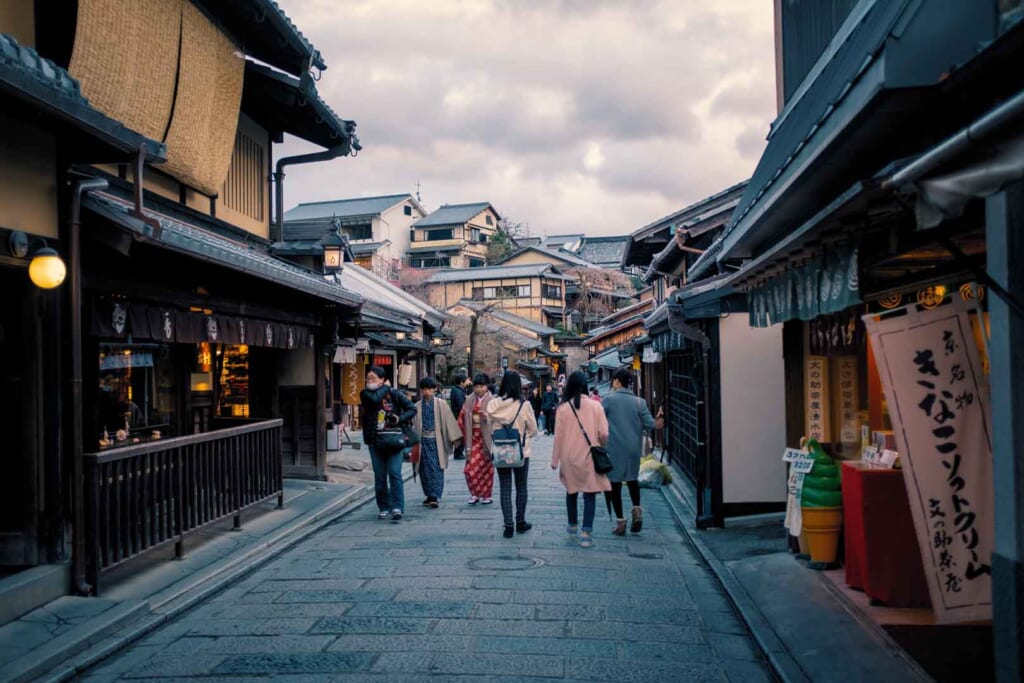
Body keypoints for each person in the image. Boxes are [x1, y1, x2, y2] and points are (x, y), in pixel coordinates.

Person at [552, 371, 610, 548]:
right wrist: (601, 445)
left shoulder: (563, 409)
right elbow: (604, 433)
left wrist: (555, 460)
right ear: (585, 386)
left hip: (569, 457)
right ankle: (586, 533)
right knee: (590, 494)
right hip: (589, 455)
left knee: (571, 491)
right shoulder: (596, 407)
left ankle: (572, 526)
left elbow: (558, 437)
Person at [602, 368, 656, 535]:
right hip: (633, 448)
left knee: (614, 484)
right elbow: (650, 424)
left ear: (617, 381)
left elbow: (600, 423)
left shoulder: (608, 400)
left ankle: (620, 522)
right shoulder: (640, 402)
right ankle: (637, 511)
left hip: (614, 447)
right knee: (633, 480)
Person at [486, 372, 539, 538]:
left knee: (505, 487)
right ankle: (520, 522)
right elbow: (533, 430)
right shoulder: (524, 405)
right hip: (521, 451)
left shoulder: (494, 404)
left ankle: (508, 524)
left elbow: (489, 425)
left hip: (501, 450)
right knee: (521, 487)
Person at [360, 366, 416, 521]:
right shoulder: (365, 394)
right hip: (375, 440)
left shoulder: (395, 394)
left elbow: (411, 409)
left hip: (394, 440)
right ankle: (384, 507)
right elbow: (374, 399)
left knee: (395, 473)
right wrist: (385, 386)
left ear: (382, 379)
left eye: (373, 378)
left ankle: (397, 507)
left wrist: (400, 419)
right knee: (380, 476)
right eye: (368, 378)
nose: (369, 380)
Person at [412, 377, 462, 508]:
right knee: (423, 469)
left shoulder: (441, 404)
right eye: (424, 389)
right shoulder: (417, 406)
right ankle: (429, 495)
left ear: (434, 389)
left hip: (436, 441)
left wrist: (455, 438)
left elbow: (449, 421)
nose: (426, 392)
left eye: (429, 389)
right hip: (422, 440)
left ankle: (435, 495)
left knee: (436, 468)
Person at [459, 373, 494, 504]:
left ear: (487, 386)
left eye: (482, 386)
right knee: (469, 469)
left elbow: (499, 418)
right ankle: (474, 492)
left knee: (487, 468)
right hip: (472, 437)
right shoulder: (469, 400)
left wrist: (489, 417)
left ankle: (486, 494)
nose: (479, 389)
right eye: (476, 387)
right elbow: (462, 417)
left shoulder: (493, 400)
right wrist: (458, 435)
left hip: (487, 438)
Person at [449, 371, 468, 459]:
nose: (467, 382)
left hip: (456, 415)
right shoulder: (459, 392)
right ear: (461, 382)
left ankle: (458, 452)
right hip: (459, 416)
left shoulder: (455, 390)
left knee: (459, 435)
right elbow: (461, 405)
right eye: (465, 381)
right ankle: (458, 452)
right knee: (460, 435)